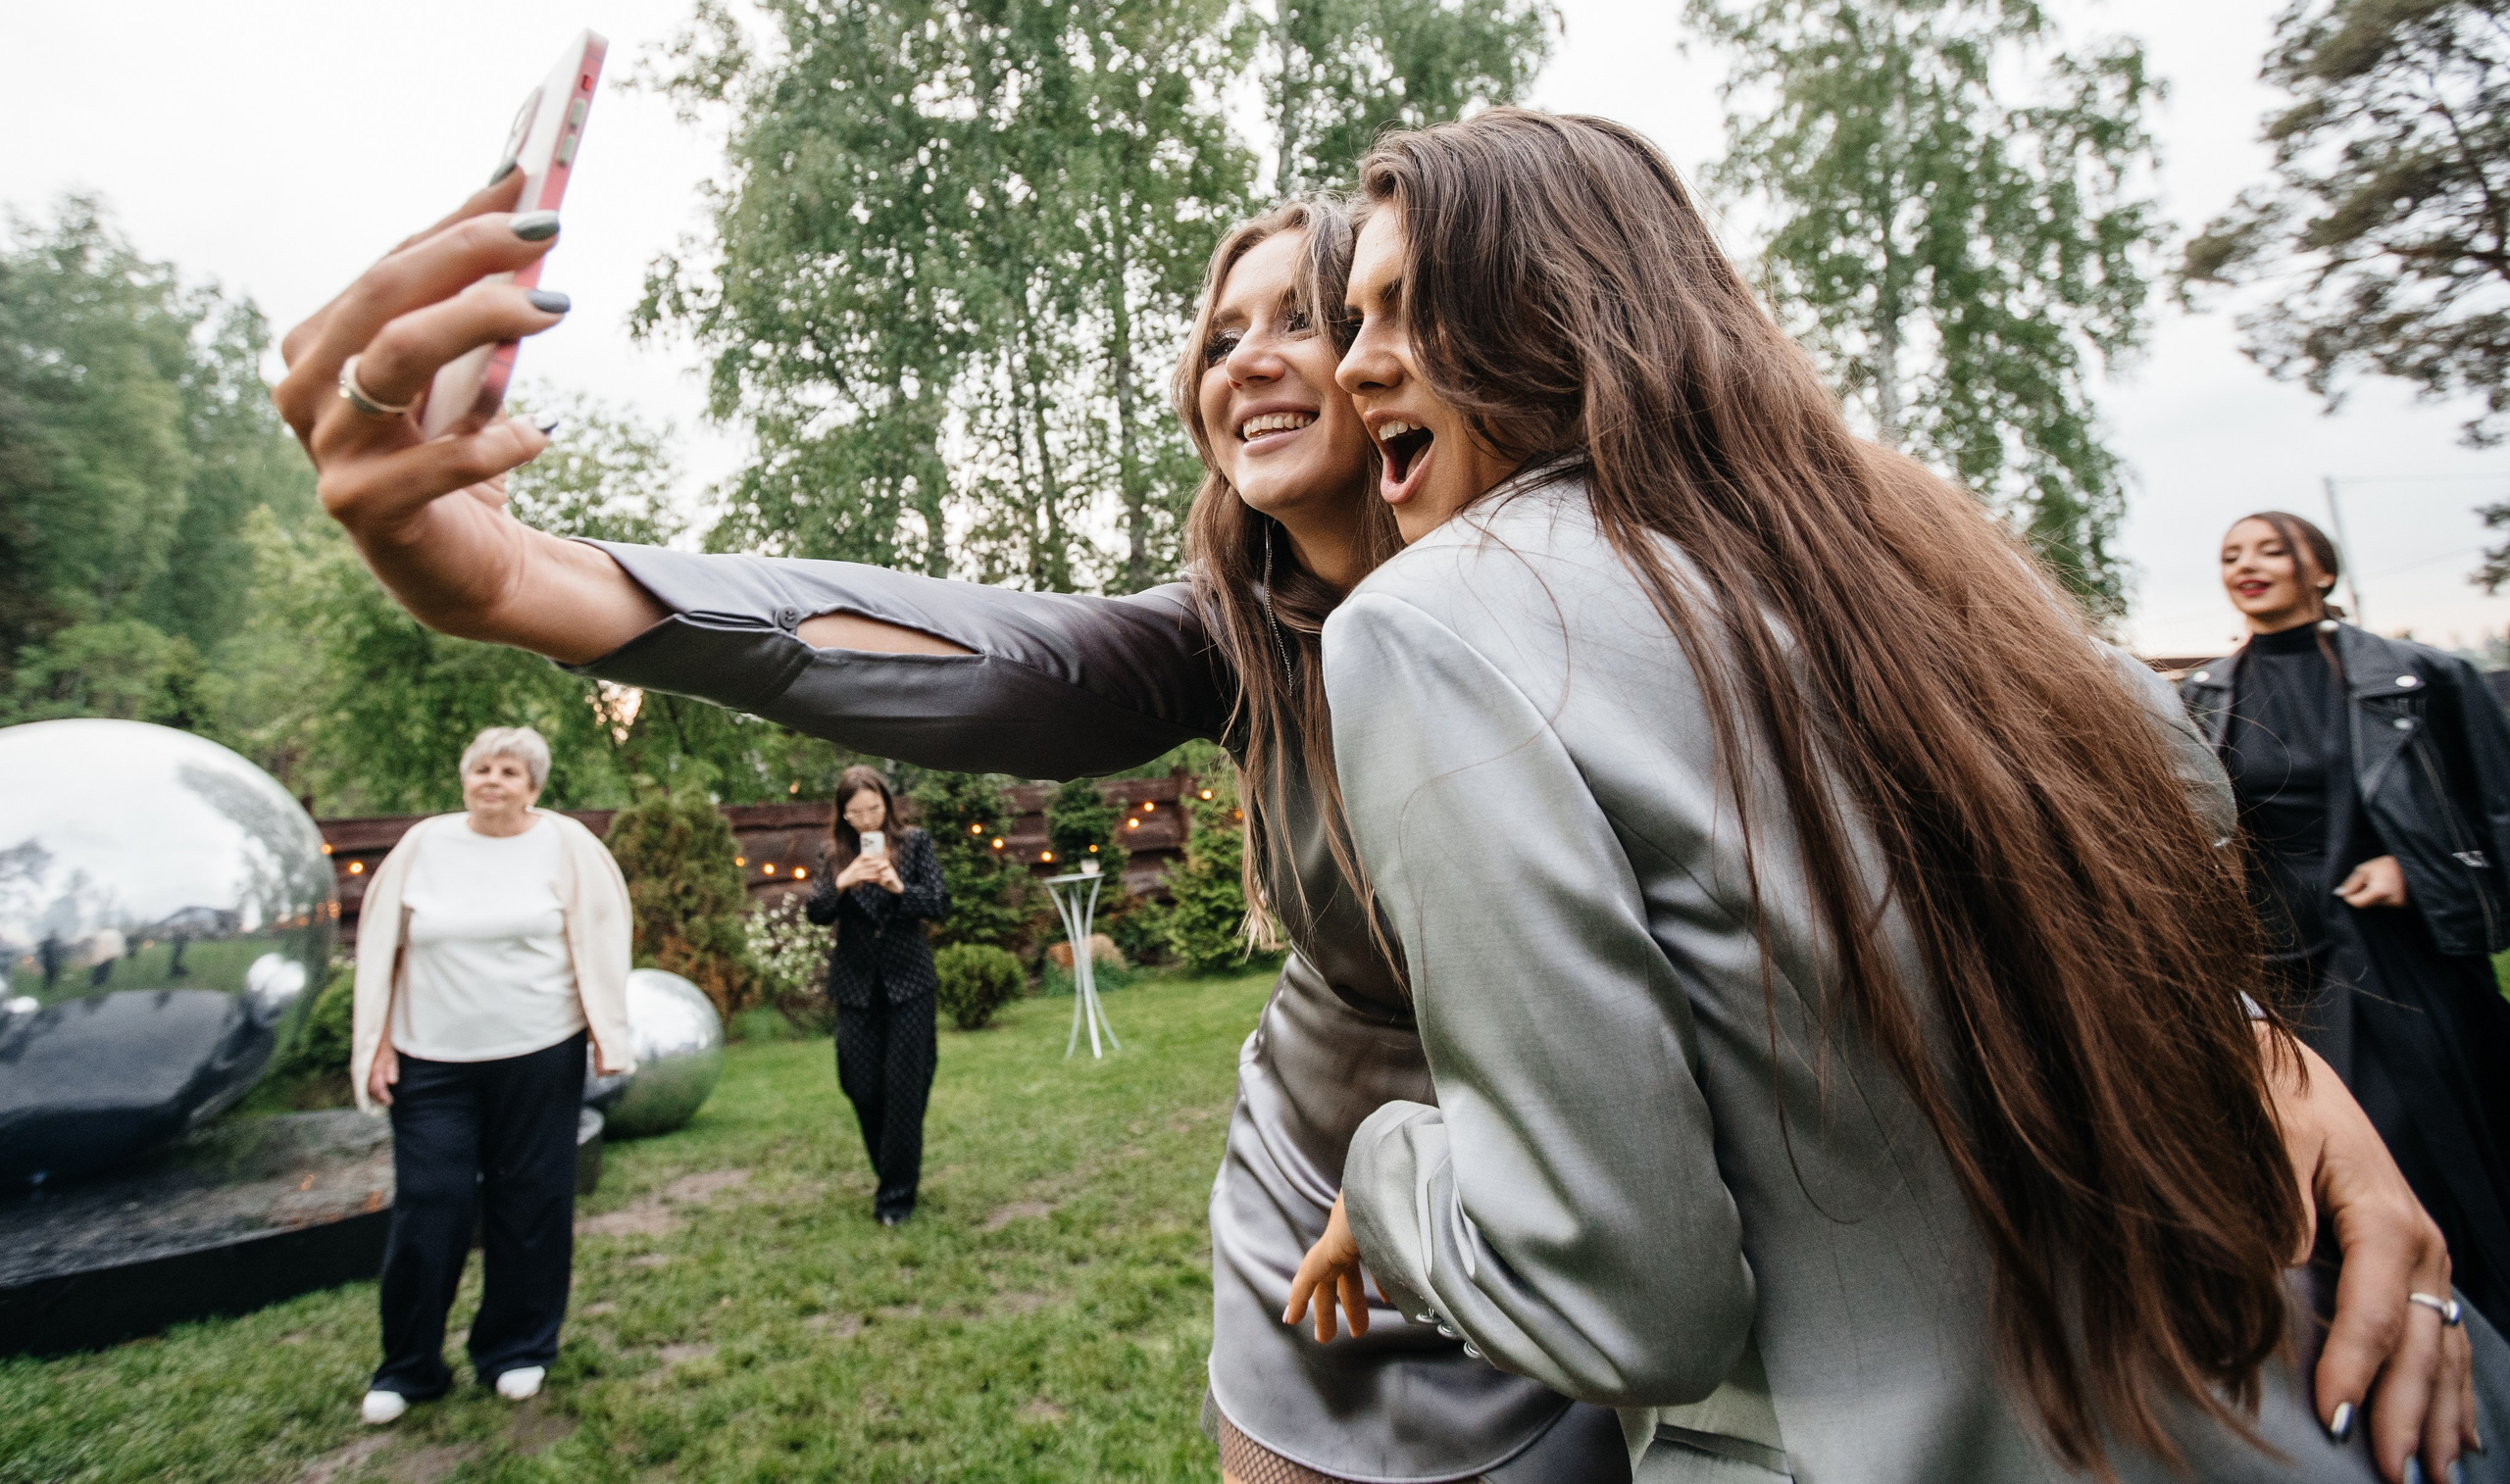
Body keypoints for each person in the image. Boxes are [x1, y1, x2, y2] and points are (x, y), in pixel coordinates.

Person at [274, 171, 2461, 1483]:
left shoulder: (1649, 599)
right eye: (1210, 331)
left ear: (1439, 344)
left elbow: (1942, 841)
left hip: (1648, 1249)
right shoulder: (1224, 639)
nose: (1249, 355)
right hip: (1343, 1230)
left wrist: (2277, 1083)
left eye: (1311, 312)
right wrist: (532, 582)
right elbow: (937, 643)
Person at [1283, 110, 2492, 1484]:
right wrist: (2278, 1062)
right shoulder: (1907, 546)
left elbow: (1629, 1301)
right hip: (2294, 1416)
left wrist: (1388, 1171)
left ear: (1549, 308)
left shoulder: (1429, 625)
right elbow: (2178, 834)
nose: (1357, 357)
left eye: (1403, 309)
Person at [2182, 512, 2510, 1334]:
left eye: (2269, 549)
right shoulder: (2203, 697)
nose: (2247, 564)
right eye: (2231, 554)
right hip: (2274, 963)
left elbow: (2497, 813)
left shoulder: (2421, 677)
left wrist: (2415, 869)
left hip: (2396, 955)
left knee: (2428, 1148)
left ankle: (2474, 1319)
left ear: (2320, 571)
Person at [347, 725, 633, 1425]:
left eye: (509, 770)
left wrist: (605, 1031)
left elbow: (601, 937)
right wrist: (379, 1043)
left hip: (539, 1052)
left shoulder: (566, 845)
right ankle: (408, 1366)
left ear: (533, 785)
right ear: (464, 778)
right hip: (431, 1061)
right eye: (481, 767)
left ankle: (517, 1348)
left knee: (532, 1200)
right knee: (430, 1203)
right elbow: (384, 946)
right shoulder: (424, 845)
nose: (493, 780)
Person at [806, 765, 945, 1226]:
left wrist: (897, 886)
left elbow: (940, 904)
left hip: (910, 985)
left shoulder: (915, 843)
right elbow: (817, 912)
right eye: (857, 812)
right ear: (843, 814)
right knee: (861, 1085)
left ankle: (895, 1199)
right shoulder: (832, 854)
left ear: (886, 803)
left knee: (905, 1090)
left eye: (874, 808)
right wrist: (845, 881)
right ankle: (892, 1168)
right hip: (857, 987)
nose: (867, 820)